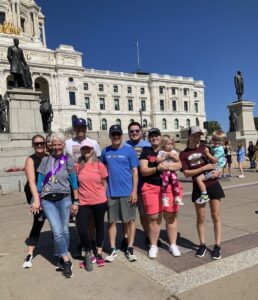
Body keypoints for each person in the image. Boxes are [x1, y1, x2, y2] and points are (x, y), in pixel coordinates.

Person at [179, 126, 225, 260]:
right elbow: (187, 173)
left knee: (216, 215)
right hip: (198, 187)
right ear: (189, 136)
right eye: (194, 135)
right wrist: (204, 167)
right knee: (200, 217)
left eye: (198, 135)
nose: (196, 137)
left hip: (213, 184)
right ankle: (202, 244)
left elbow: (216, 160)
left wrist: (219, 170)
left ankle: (217, 245)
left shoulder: (204, 147)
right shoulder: (184, 154)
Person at [37, 133, 79, 278]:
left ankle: (61, 257)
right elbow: (39, 182)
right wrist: (37, 200)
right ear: (51, 146)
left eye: (59, 144)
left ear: (63, 145)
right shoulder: (45, 160)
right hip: (48, 199)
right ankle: (66, 260)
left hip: (65, 198)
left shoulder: (68, 160)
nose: (56, 147)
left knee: (65, 230)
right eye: (54, 144)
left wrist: (76, 201)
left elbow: (74, 182)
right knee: (57, 230)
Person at [139, 128, 182, 259]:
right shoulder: (146, 151)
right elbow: (143, 170)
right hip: (151, 186)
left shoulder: (170, 149)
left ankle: (173, 244)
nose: (154, 138)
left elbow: (179, 165)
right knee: (153, 218)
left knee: (171, 216)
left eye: (156, 135)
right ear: (148, 138)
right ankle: (153, 245)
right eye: (151, 136)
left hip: (169, 186)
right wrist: (157, 168)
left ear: (160, 137)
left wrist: (167, 167)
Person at [101, 124, 139, 262]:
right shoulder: (105, 151)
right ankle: (112, 248)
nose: (116, 137)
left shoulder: (129, 151)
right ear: (110, 136)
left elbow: (135, 172)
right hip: (111, 192)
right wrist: (103, 191)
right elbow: (102, 172)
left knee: (129, 221)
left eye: (118, 134)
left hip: (127, 192)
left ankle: (130, 248)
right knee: (111, 221)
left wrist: (134, 191)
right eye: (113, 134)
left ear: (121, 135)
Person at [65, 117, 101, 255]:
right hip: (74, 182)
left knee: (91, 215)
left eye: (83, 127)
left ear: (86, 128)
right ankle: (81, 241)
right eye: (77, 127)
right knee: (77, 215)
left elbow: (98, 161)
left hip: (89, 182)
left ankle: (90, 239)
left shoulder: (93, 142)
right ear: (74, 129)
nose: (80, 130)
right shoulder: (68, 143)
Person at [73, 140, 108, 271]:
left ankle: (98, 253)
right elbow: (75, 184)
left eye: (89, 148)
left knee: (99, 227)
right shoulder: (78, 166)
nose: (86, 151)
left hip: (99, 201)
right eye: (84, 149)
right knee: (82, 229)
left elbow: (104, 183)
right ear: (81, 151)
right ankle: (88, 251)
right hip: (83, 202)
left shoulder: (99, 165)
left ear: (93, 150)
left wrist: (102, 197)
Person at [124, 121, 150, 248]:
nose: (134, 133)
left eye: (137, 131)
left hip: (144, 186)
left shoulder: (148, 145)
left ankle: (148, 237)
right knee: (128, 217)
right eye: (131, 131)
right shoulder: (124, 146)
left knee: (144, 215)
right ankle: (126, 239)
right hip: (128, 187)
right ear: (128, 133)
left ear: (141, 132)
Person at [23, 135, 46, 268]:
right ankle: (30, 253)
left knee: (56, 225)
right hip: (37, 194)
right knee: (38, 222)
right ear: (33, 145)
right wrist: (36, 200)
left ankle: (59, 252)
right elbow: (31, 181)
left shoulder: (49, 157)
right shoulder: (30, 160)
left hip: (50, 194)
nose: (39, 145)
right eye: (36, 144)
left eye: (41, 143)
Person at [194, 130, 226, 204]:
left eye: (218, 140)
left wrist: (207, 153)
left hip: (214, 169)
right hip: (214, 168)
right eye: (214, 139)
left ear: (223, 141)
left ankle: (204, 195)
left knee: (199, 179)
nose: (216, 141)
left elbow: (214, 160)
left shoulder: (220, 149)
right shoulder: (215, 147)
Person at [156, 135, 184, 206]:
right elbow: (157, 160)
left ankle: (177, 197)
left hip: (172, 171)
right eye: (168, 144)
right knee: (165, 183)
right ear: (163, 145)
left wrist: (173, 156)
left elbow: (178, 160)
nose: (170, 146)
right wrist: (164, 157)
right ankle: (164, 197)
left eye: (171, 144)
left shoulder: (174, 152)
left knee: (175, 181)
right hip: (165, 171)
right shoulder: (161, 152)